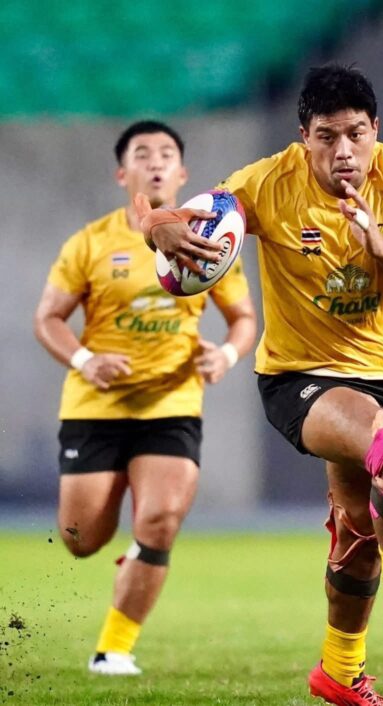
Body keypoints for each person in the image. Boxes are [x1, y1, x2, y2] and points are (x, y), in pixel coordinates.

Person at [136, 65, 383, 706]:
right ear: (303, 136)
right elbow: (184, 213)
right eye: (326, 137)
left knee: (358, 536)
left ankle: (340, 672)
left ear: (376, 130)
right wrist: (158, 227)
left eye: (356, 135)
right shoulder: (266, 182)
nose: (344, 152)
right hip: (299, 378)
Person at [32, 120, 257, 676]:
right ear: (121, 173)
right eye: (142, 153)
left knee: (160, 521)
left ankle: (113, 648)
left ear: (182, 173)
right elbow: (48, 318)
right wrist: (86, 360)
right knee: (81, 539)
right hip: (96, 406)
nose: (155, 161)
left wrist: (226, 355)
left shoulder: (208, 237)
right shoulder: (90, 243)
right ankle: (128, 556)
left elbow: (244, 319)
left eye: (166, 154)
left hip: (171, 404)